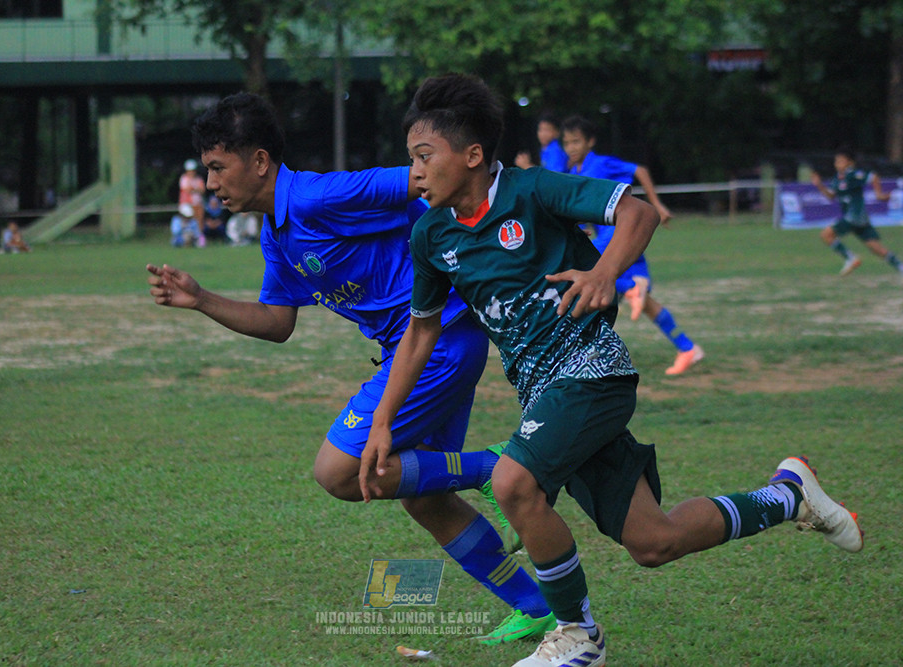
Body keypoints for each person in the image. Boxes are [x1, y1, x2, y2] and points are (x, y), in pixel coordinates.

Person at [362, 73, 863, 667]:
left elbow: (639, 214)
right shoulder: (430, 234)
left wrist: (604, 274)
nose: (413, 172)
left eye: (424, 157)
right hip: (545, 395)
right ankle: (790, 494)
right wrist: (383, 421)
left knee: (513, 484)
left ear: (472, 155)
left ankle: (579, 634)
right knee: (655, 540)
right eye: (410, 159)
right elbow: (421, 331)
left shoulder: (532, 190)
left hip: (592, 372)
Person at [146, 92, 556, 646]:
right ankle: (536, 606)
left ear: (260, 161)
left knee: (338, 471)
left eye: (219, 166)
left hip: (436, 342)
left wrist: (470, 250)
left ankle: (494, 468)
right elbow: (276, 321)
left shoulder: (319, 195)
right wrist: (202, 299)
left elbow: (424, 181)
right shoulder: (277, 232)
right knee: (425, 498)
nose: (211, 181)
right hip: (420, 351)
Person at [561, 114, 704, 376]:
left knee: (582, 274)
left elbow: (641, 171)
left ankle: (629, 290)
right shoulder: (574, 172)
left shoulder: (602, 163)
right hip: (610, 239)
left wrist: (657, 204)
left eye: (576, 141)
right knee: (644, 301)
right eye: (567, 142)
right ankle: (687, 348)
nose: (571, 147)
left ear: (590, 142)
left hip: (619, 238)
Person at [810, 144, 903, 276]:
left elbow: (873, 176)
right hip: (858, 220)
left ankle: (851, 258)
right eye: (836, 161)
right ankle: (900, 267)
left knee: (826, 235)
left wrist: (878, 194)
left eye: (841, 161)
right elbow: (831, 196)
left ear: (850, 162)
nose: (837, 164)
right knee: (877, 249)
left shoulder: (854, 174)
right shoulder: (838, 178)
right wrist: (819, 185)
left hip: (854, 217)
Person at [179, 158, 207, 240]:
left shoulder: (198, 179)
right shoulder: (184, 178)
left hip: (198, 203)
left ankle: (200, 237)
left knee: (200, 220)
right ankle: (188, 238)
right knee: (190, 221)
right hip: (187, 204)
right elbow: (187, 190)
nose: (192, 172)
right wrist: (196, 189)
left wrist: (193, 189)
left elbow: (202, 190)